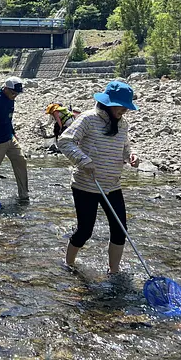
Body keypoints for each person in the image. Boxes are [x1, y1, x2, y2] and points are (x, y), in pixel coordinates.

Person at [58, 80, 141, 274]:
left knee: (120, 230)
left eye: (126, 108)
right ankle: (68, 264)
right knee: (85, 231)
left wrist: (130, 156)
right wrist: (83, 160)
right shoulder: (88, 119)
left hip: (112, 185)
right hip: (86, 185)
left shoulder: (122, 124)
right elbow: (65, 141)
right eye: (121, 108)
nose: (125, 112)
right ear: (109, 103)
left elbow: (124, 147)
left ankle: (114, 271)